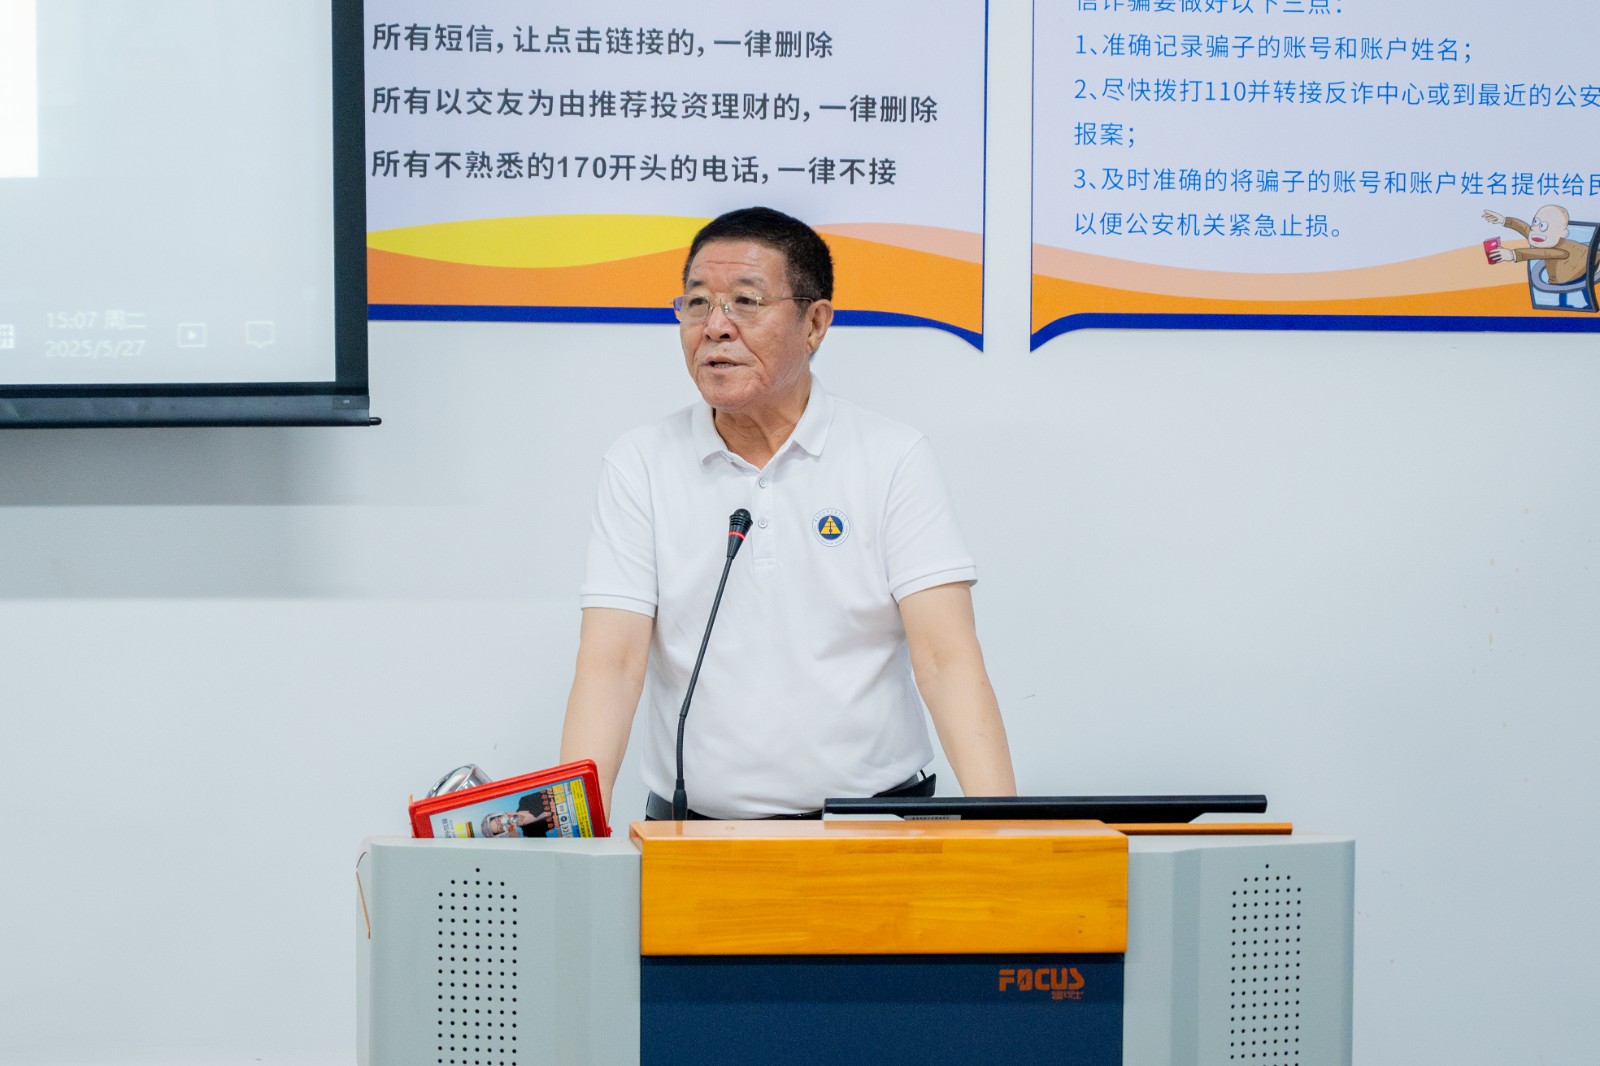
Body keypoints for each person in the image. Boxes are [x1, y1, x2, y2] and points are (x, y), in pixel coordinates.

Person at [558, 206, 1015, 820]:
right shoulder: (640, 463)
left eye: (746, 302)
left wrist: (1009, 830)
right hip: (692, 834)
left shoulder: (890, 456)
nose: (715, 328)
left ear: (815, 323)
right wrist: (573, 836)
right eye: (697, 303)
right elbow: (611, 667)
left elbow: (946, 659)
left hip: (877, 826)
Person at [1483, 205, 1588, 285]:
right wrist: (1503, 220)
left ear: (1563, 233)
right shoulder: (1549, 237)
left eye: (1543, 226)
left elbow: (1543, 252)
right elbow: (1525, 229)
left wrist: (1513, 254)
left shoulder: (1561, 252)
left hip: (1579, 272)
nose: (1534, 228)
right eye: (1535, 222)